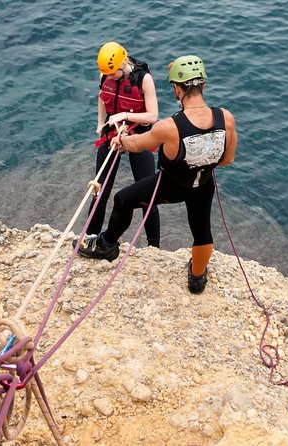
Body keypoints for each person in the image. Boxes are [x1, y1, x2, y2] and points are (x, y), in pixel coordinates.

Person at [77, 55, 237, 294]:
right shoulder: (226, 118)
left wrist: (120, 139)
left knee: (123, 199)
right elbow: (227, 159)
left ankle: (107, 245)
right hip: (202, 184)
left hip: (170, 186)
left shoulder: (169, 126)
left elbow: (138, 144)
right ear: (203, 84)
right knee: (202, 230)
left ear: (177, 89)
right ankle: (196, 277)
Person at [78, 41, 161, 248]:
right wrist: (99, 123)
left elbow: (153, 116)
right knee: (101, 188)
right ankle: (90, 237)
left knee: (147, 195)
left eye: (114, 72)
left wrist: (125, 115)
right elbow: (102, 97)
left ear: (123, 62)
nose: (111, 76)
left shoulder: (144, 79)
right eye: (108, 73)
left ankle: (154, 247)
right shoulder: (105, 75)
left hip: (139, 133)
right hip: (112, 131)